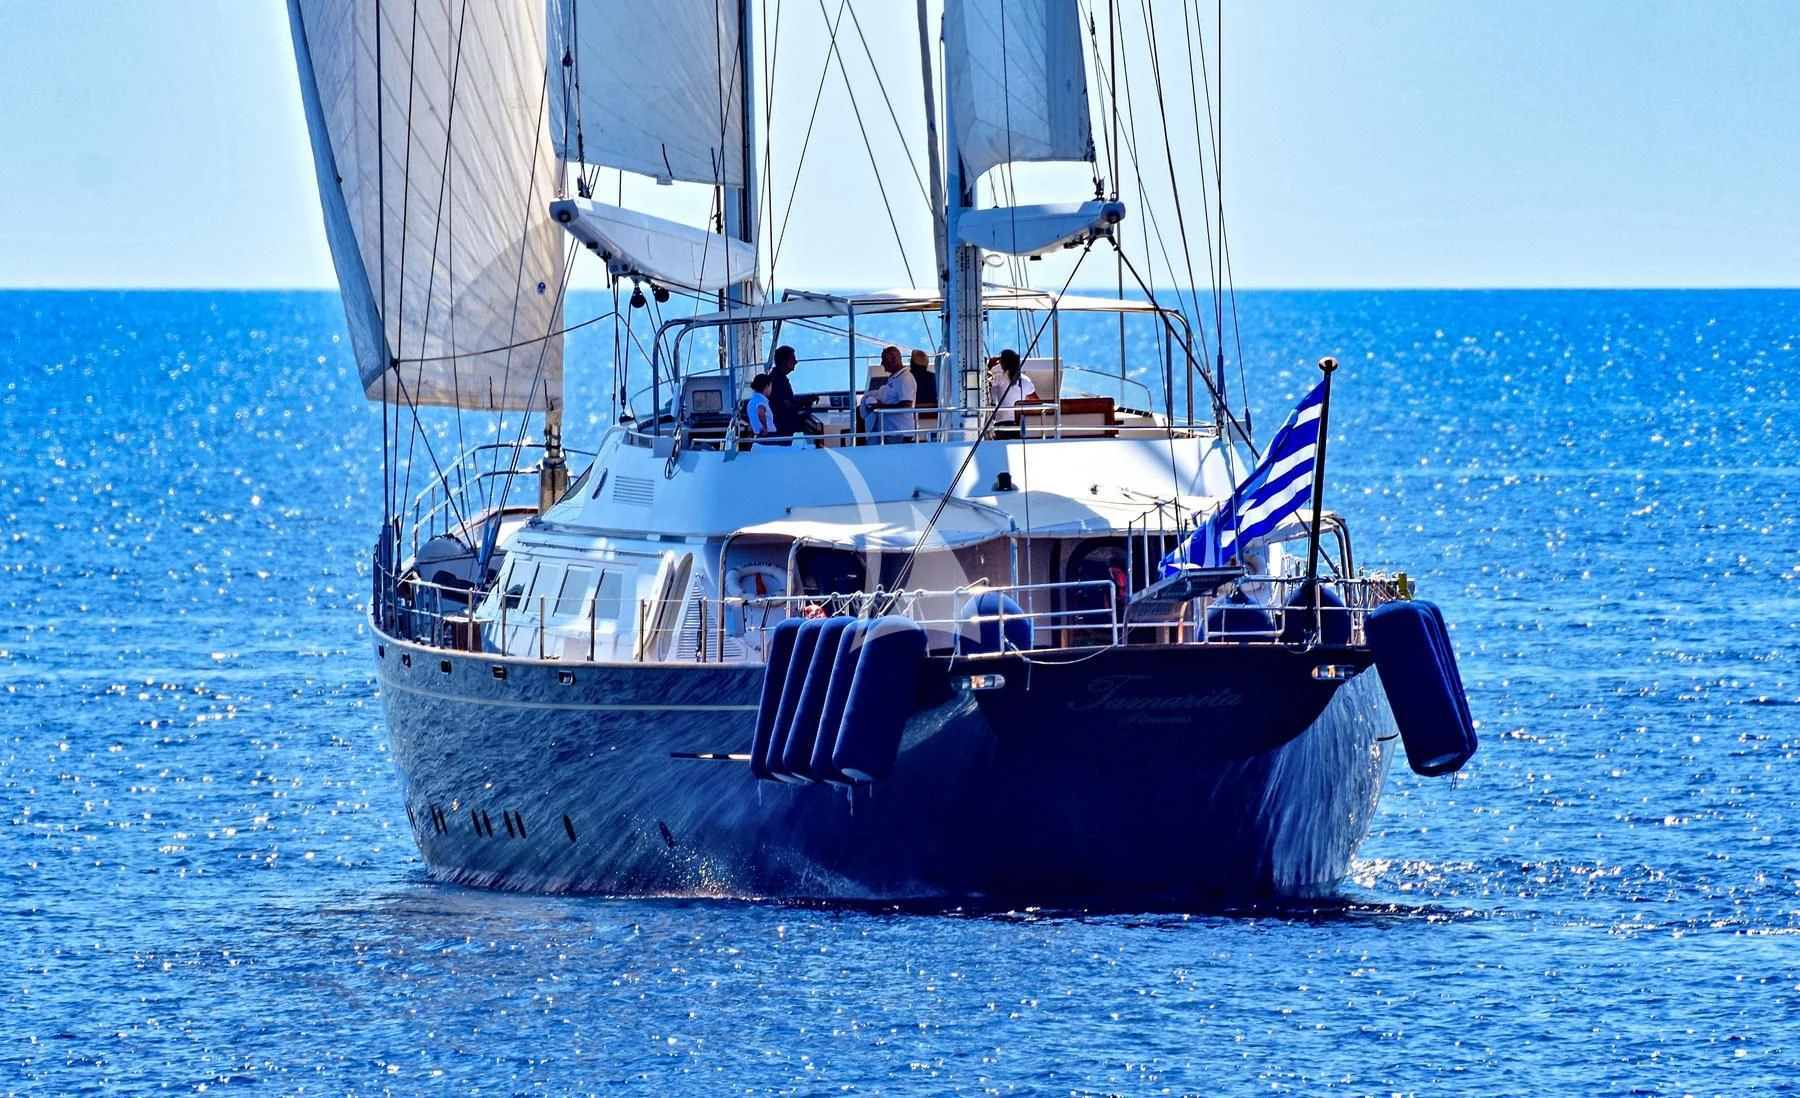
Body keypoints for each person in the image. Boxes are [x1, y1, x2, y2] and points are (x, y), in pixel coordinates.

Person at [859, 345, 917, 442]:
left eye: (884, 359)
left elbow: (906, 405)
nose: (882, 363)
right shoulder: (894, 378)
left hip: (900, 432)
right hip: (891, 432)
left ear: (894, 359)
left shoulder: (905, 378)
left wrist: (881, 407)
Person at [767, 345, 819, 440]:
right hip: (782, 427)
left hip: (780, 423)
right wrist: (806, 401)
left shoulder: (777, 377)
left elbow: (787, 401)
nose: (796, 362)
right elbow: (787, 405)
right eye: (793, 359)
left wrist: (805, 400)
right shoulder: (778, 380)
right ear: (785, 362)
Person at [989, 348, 1038, 430]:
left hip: (1001, 421)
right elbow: (1036, 401)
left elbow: (986, 382)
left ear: (1003, 363)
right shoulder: (1026, 380)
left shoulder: (998, 378)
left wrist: (990, 366)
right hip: (1019, 421)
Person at [746, 373, 778, 447]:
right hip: (768, 436)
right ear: (767, 386)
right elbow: (761, 412)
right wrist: (765, 427)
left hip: (758, 436)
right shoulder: (761, 400)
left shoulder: (751, 401)